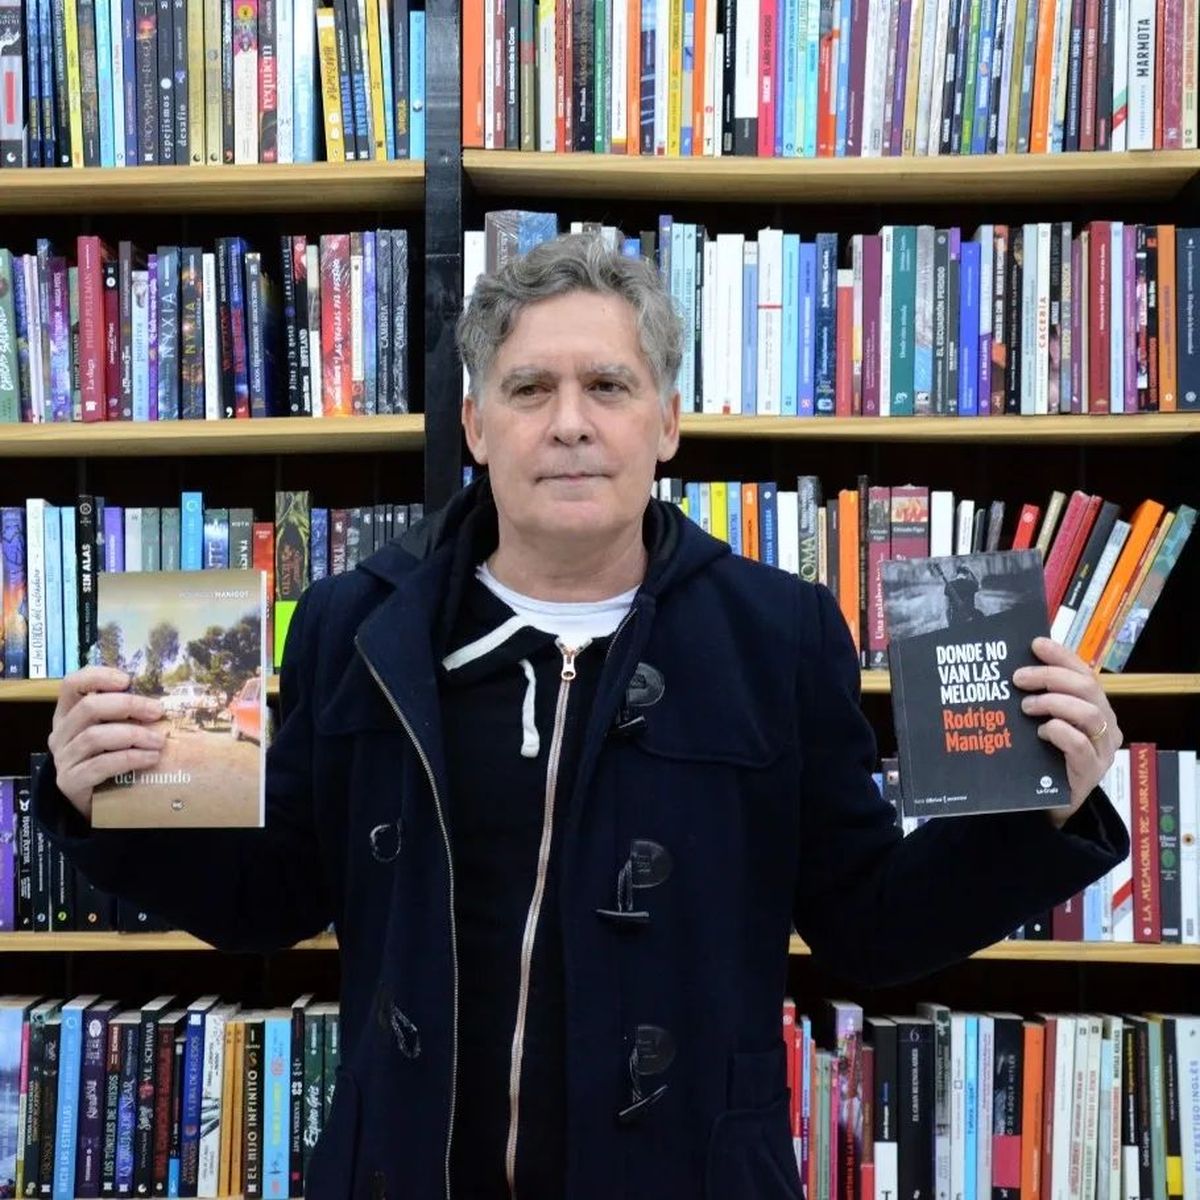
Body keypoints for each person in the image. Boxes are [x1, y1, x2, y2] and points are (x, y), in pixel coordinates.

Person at [34, 233, 1128, 1200]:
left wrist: (1040, 811)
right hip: (398, 1167)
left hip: (693, 1170)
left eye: (608, 385)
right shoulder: (348, 623)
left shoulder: (780, 632)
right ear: (473, 421)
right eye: (527, 389)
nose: (568, 423)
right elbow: (270, 899)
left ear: (667, 422)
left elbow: (868, 926)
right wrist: (103, 799)